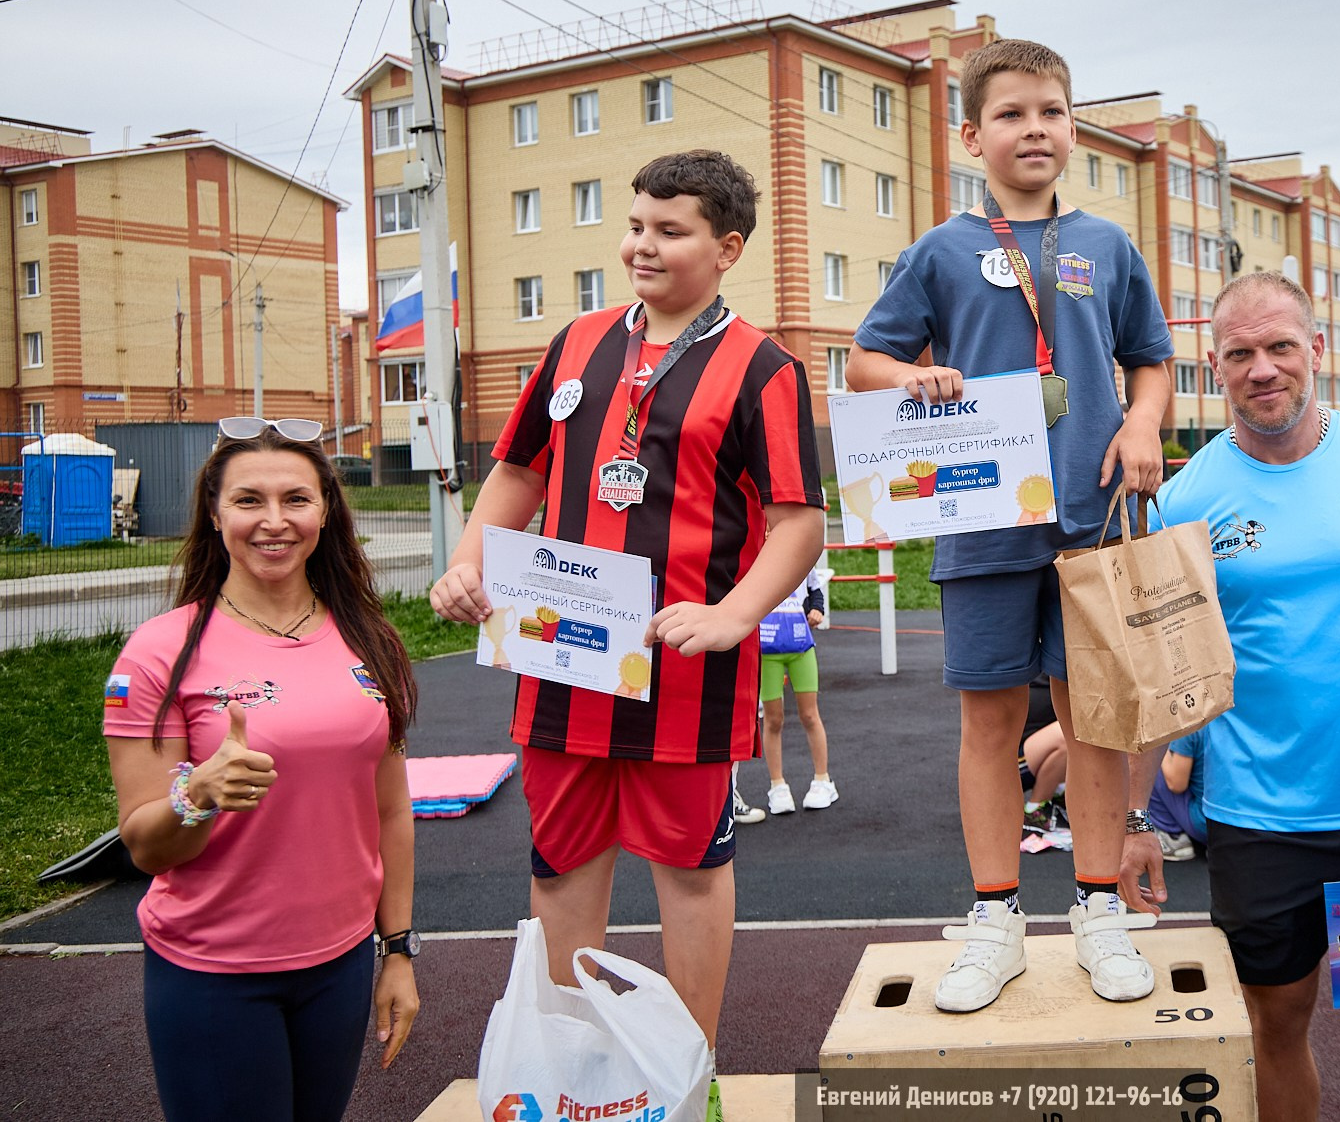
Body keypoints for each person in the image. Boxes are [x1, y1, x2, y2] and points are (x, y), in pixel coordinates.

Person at [429, 151, 825, 1072]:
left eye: (669, 230)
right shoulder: (576, 342)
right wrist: (466, 563)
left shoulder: (764, 366)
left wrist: (733, 614)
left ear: (727, 248)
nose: (642, 245)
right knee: (562, 863)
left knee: (690, 872)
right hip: (559, 655)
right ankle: (572, 1068)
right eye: (636, 224)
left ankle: (689, 1072)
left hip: (686, 670)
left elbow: (800, 524)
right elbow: (518, 472)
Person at [846, 38, 1176, 1013]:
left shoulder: (1106, 245)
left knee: (1094, 721)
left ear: (1072, 129)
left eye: (1051, 112)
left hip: (1092, 520)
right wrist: (913, 376)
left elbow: (1150, 358)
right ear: (970, 135)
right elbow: (866, 361)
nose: (1034, 128)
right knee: (989, 722)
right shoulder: (940, 250)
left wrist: (1145, 422)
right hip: (984, 518)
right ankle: (995, 917)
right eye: (1011, 113)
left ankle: (1098, 906)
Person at [1145, 272, 1340, 1122]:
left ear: (1316, 350)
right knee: (1276, 1021)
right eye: (1240, 353)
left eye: (1280, 346)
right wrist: (1137, 815)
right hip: (1259, 816)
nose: (1262, 368)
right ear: (1215, 365)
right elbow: (1166, 674)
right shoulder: (1183, 500)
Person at [103, 417, 420, 1122]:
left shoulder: (370, 638)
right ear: (215, 515)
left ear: (325, 511)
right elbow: (145, 845)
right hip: (214, 974)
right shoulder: (158, 653)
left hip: (339, 966)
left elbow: (391, 809)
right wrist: (197, 794)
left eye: (295, 499)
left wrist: (397, 948)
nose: (274, 521)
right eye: (249, 500)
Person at [758, 566, 836, 814]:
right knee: (773, 720)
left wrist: (817, 610)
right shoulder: (753, 555)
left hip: (800, 645)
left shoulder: (800, 553)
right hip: (766, 648)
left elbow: (815, 590)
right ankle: (777, 785)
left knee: (810, 715)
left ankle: (823, 780)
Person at [1144, 726, 1208, 861]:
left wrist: (1160, 743)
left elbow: (1177, 785)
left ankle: (1173, 837)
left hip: (1205, 824)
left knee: (1148, 759)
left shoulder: (1189, 727)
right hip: (1240, 820)